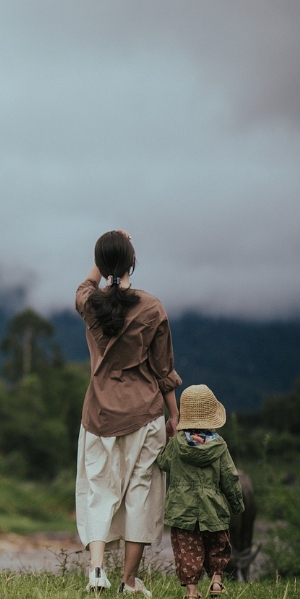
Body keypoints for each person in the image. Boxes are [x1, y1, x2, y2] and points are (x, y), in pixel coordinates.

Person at [75, 229, 182, 596]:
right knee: (142, 495)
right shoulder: (152, 307)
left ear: (102, 266)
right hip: (145, 413)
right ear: (134, 262)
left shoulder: (90, 304)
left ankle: (96, 573)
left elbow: (87, 283)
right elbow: (163, 370)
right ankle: (129, 581)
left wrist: (105, 259)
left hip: (99, 415)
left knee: (99, 491)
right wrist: (174, 417)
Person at [157, 384, 244, 598]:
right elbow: (230, 477)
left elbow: (162, 463)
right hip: (213, 509)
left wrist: (167, 441)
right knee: (217, 546)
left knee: (187, 550)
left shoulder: (177, 444)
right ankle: (216, 582)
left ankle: (192, 590)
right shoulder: (219, 446)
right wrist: (237, 504)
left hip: (182, 511)